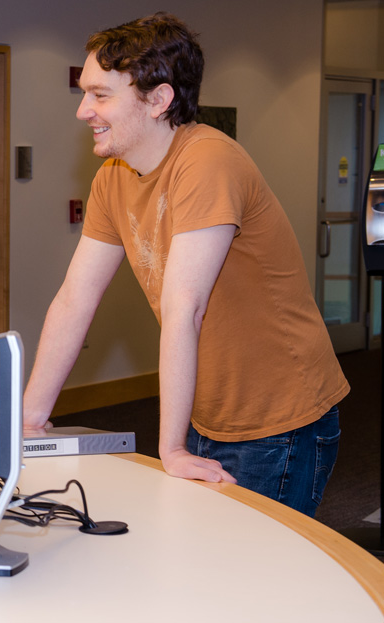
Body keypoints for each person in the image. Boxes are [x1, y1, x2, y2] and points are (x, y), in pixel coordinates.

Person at [22, 13, 348, 517]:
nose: (84, 110)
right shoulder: (114, 177)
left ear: (158, 99)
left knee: (252, 582)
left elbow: (184, 307)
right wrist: (31, 417)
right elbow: (74, 299)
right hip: (207, 408)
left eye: (101, 95)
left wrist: (170, 450)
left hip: (279, 417)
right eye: (84, 93)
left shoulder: (208, 161)